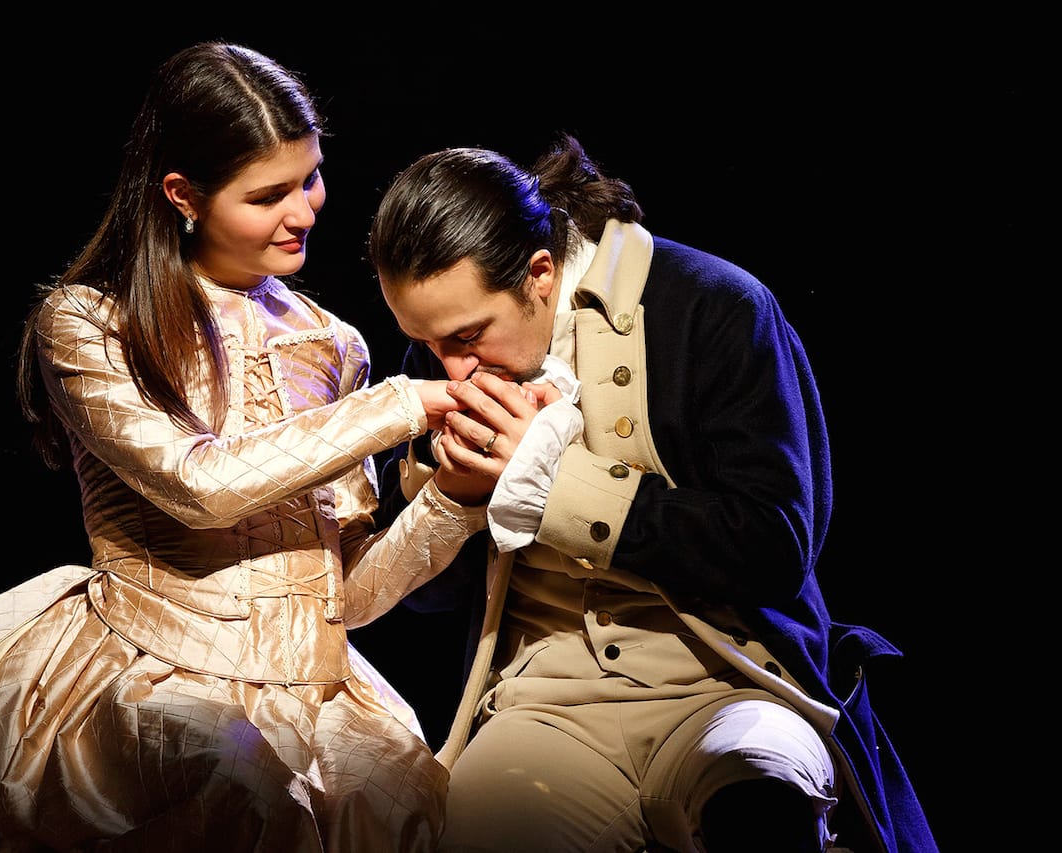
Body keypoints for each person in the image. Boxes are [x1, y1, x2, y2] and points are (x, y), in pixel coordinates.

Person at [0, 41, 493, 853]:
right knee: (237, 774)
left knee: (410, 794)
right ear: (183, 194)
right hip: (153, 669)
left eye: (309, 177)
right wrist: (399, 406)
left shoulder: (334, 345)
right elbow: (195, 483)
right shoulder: (90, 324)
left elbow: (346, 592)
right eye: (268, 193)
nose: (305, 211)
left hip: (312, 685)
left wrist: (453, 497)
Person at [366, 135, 938, 852]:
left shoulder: (715, 305)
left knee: (761, 801)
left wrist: (556, 482)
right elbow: (426, 603)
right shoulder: (443, 348)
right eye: (425, 341)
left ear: (540, 273)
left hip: (730, 682)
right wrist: (452, 495)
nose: (449, 367)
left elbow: (773, 544)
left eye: (468, 337)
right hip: (549, 702)